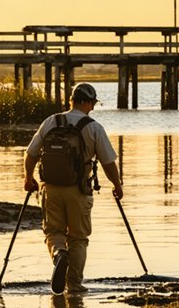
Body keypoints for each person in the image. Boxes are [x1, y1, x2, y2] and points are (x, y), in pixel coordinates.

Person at [24, 83, 122, 294]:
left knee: (53, 232)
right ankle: (74, 286)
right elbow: (108, 163)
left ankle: (59, 254)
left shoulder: (51, 121)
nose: (93, 108)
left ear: (71, 100)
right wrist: (117, 185)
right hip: (78, 190)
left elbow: (31, 153)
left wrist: (28, 177)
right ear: (86, 102)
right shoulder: (93, 127)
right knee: (78, 238)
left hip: (50, 188)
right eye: (93, 103)